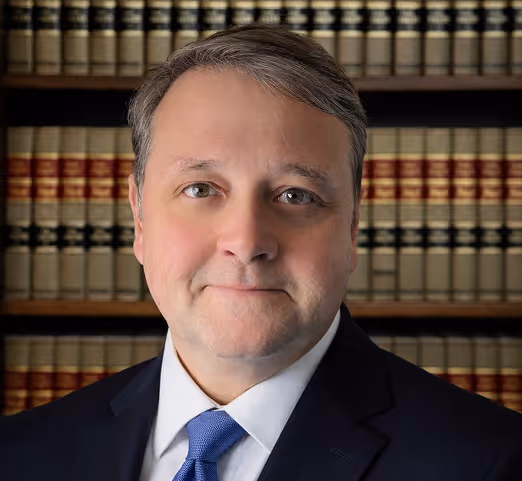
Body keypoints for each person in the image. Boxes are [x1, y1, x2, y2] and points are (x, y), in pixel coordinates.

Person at [1, 24, 522, 481]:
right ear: (139, 217)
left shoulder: (491, 461)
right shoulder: (20, 453)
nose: (247, 242)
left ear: (353, 225)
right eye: (201, 189)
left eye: (296, 195)